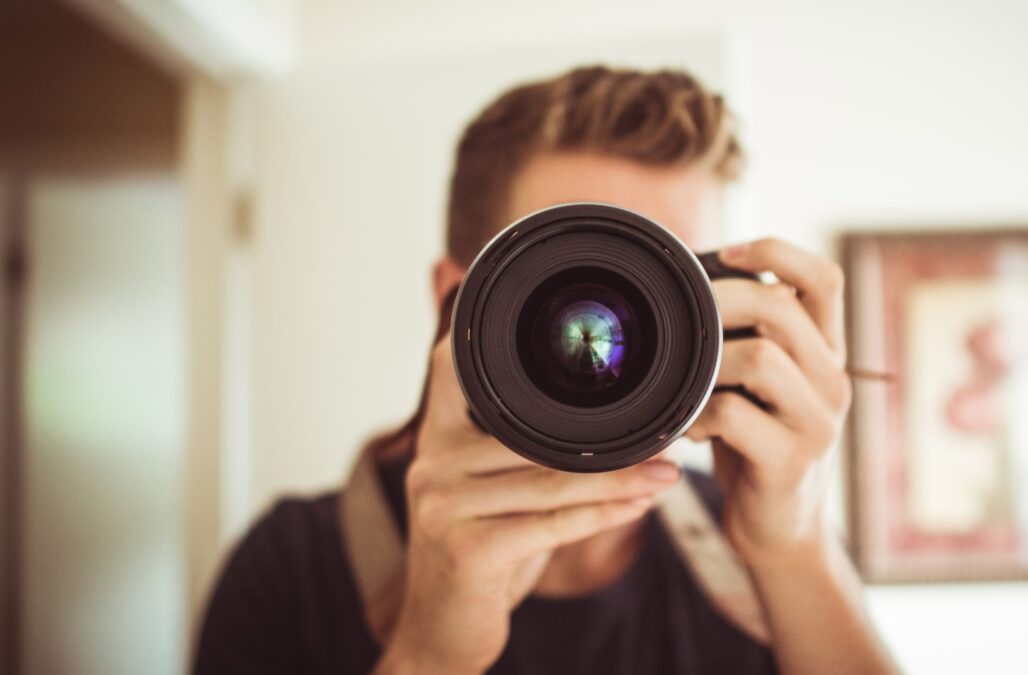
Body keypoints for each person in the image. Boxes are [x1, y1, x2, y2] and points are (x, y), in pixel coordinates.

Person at [194, 65, 899, 675]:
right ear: (454, 301)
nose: (633, 330)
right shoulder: (293, 567)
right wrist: (431, 654)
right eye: (573, 268)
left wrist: (795, 547)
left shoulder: (763, 543)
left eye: (670, 280)